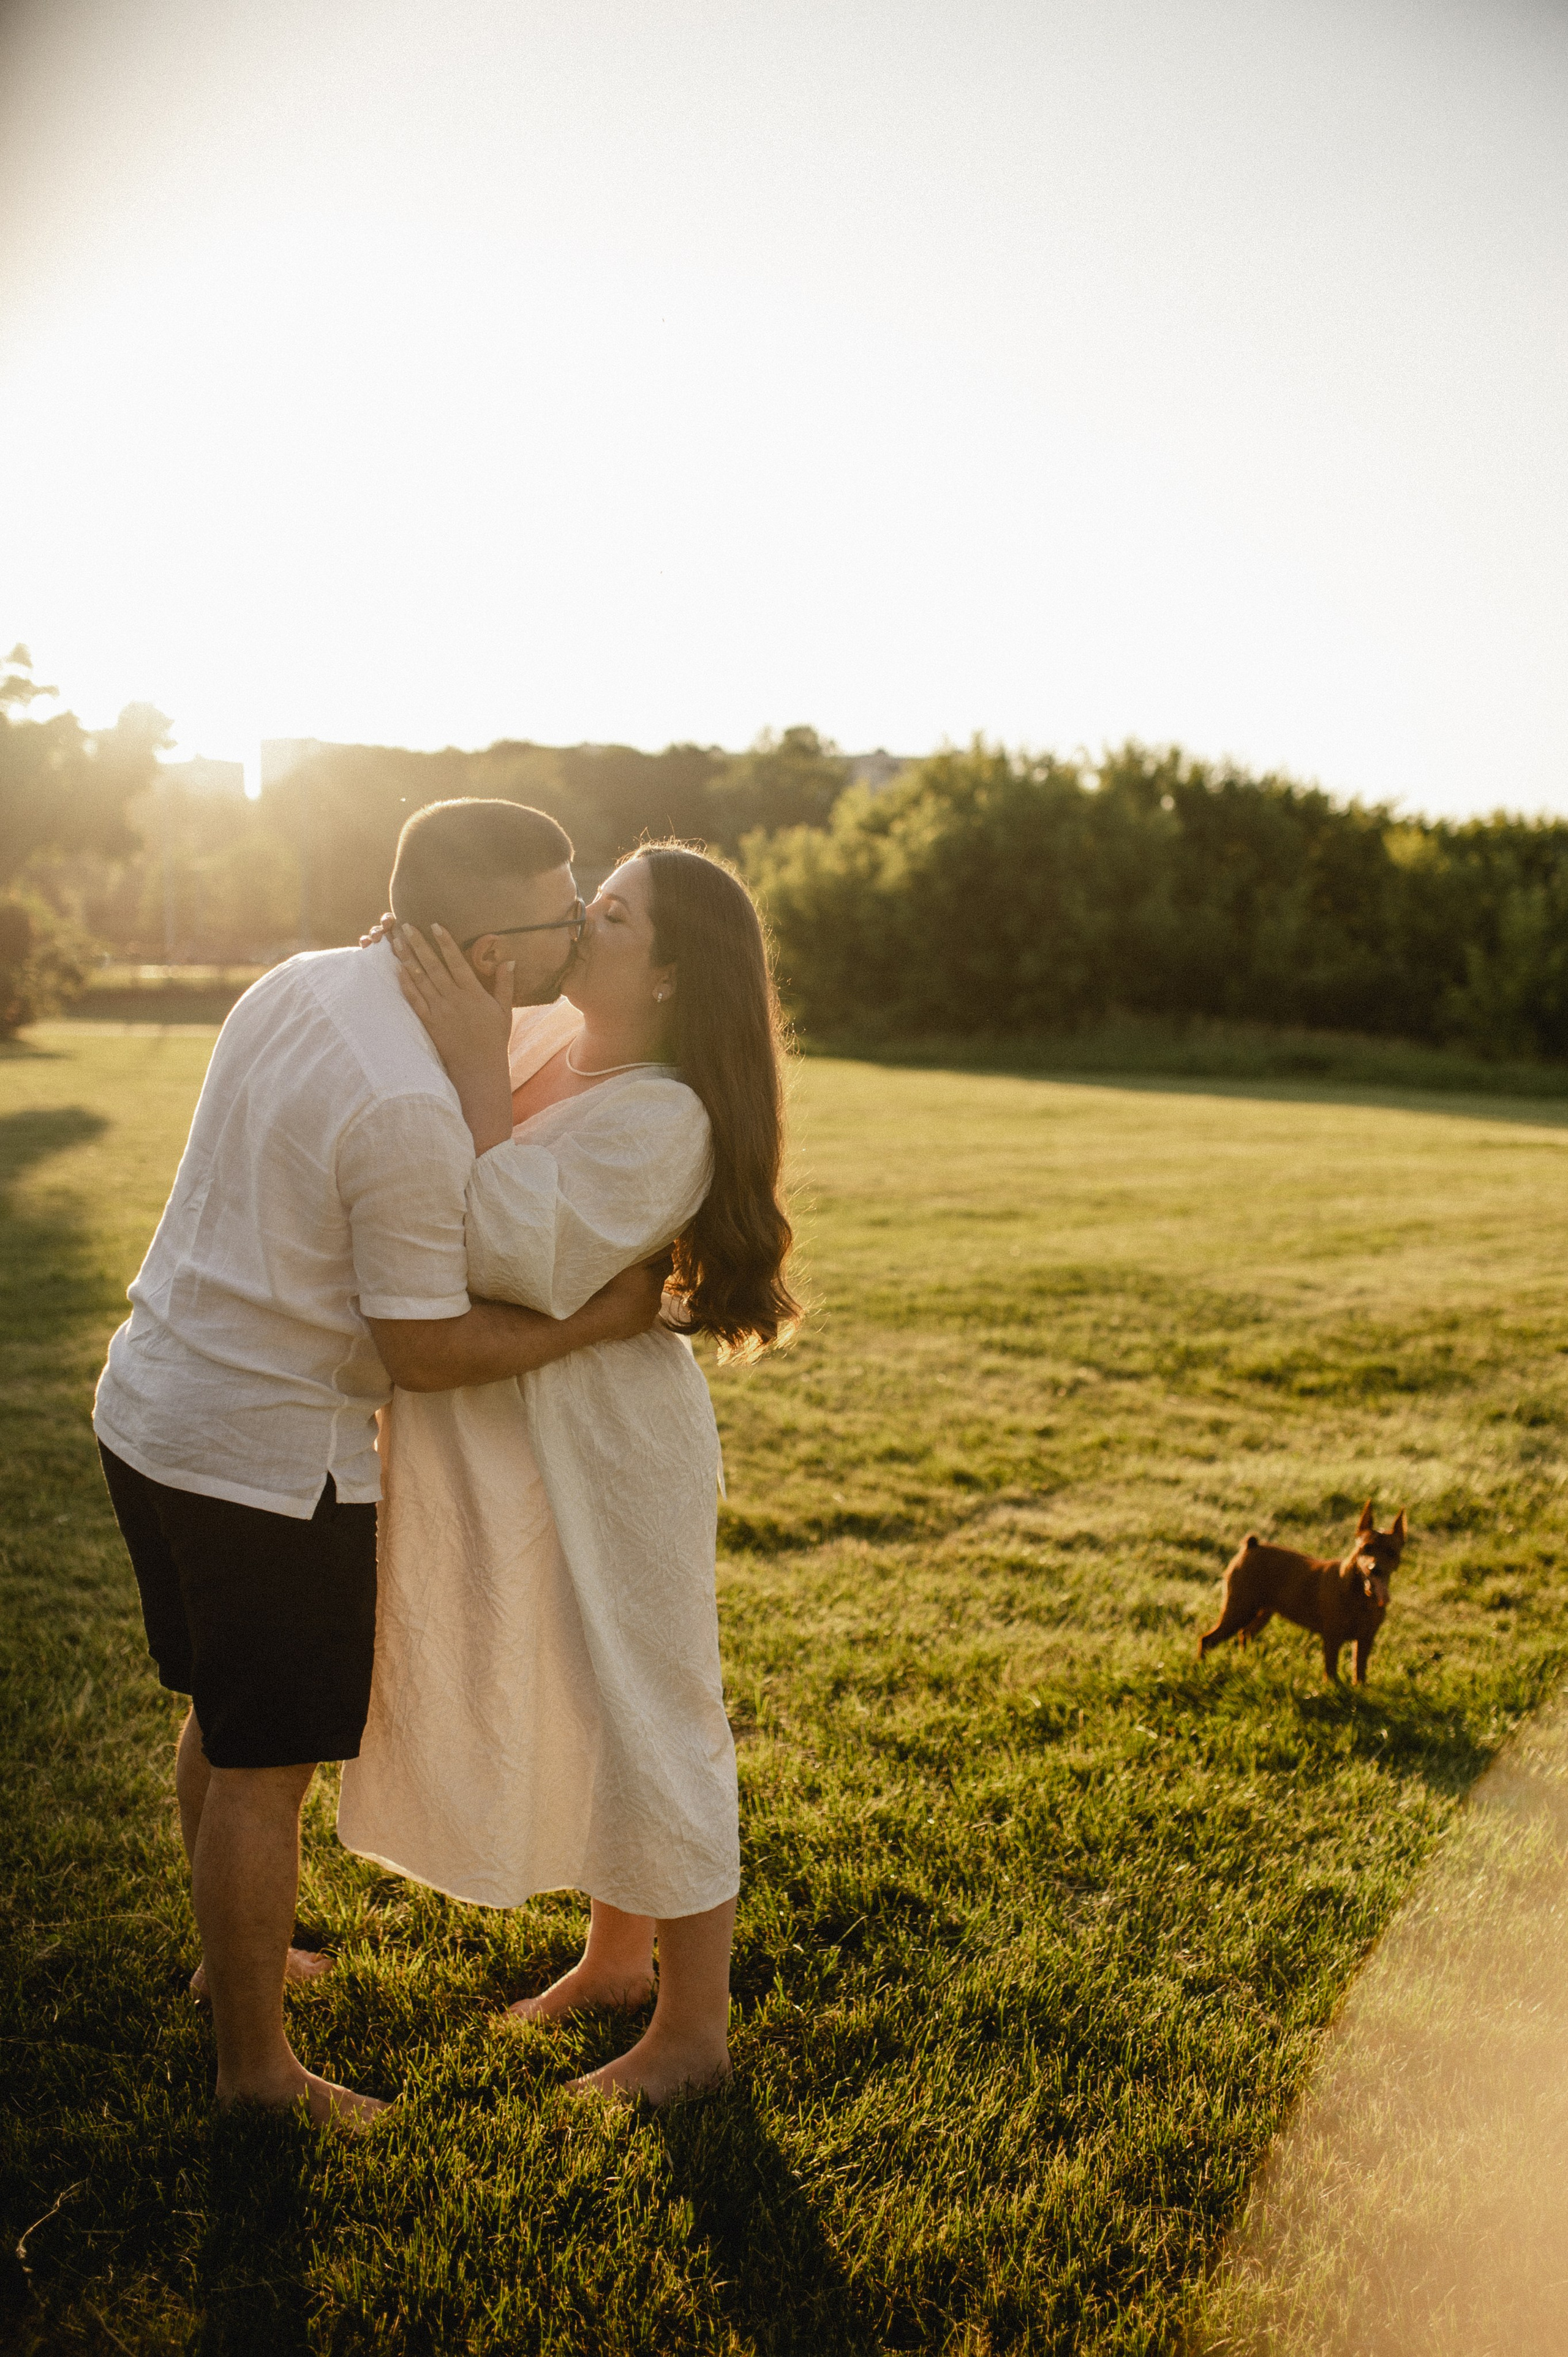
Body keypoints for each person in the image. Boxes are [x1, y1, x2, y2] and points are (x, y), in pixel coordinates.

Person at [92, 800, 670, 2130]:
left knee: (221, 1716)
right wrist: (604, 1312)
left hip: (149, 1406)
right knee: (263, 1770)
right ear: (478, 950)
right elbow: (425, 1349)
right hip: (263, 1457)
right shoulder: (409, 1106)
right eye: (560, 912)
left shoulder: (303, 980)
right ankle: (256, 2073)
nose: (582, 925)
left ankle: (226, 1958)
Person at [337, 842, 799, 2104]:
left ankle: (691, 2034)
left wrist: (476, 1062)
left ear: (668, 973)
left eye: (610, 911)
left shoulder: (668, 1114)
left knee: (652, 1702)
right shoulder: (554, 1039)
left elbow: (494, 1238)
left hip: (614, 1444)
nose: (579, 919)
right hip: (534, 1430)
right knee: (589, 1691)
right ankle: (612, 1959)